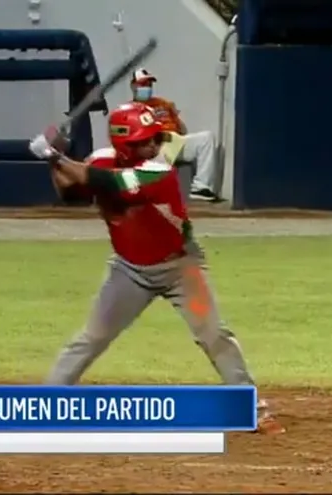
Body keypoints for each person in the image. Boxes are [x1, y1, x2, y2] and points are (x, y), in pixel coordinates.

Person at [28, 102, 280, 433]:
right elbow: (69, 191)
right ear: (123, 143)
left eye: (153, 138)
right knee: (91, 338)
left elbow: (110, 183)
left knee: (214, 334)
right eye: (144, 140)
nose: (153, 144)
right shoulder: (100, 159)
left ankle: (251, 408)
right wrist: (51, 159)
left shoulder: (157, 170)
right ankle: (45, 404)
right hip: (129, 271)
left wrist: (57, 156)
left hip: (182, 268)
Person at [129, 68, 224, 203]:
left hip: (175, 139)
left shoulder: (164, 103)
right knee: (166, 142)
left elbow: (182, 130)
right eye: (143, 84)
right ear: (133, 86)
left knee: (206, 138)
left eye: (149, 84)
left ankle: (201, 188)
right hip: (154, 144)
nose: (147, 88)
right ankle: (151, 190)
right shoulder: (130, 109)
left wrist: (175, 117)